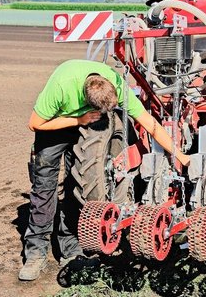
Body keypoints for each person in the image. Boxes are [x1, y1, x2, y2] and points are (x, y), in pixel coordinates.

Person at [19, 59, 190, 281]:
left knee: (74, 188)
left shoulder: (117, 84)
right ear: (87, 100)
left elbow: (149, 123)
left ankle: (70, 248)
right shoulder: (63, 85)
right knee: (44, 191)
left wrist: (179, 155)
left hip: (86, 123)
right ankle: (35, 253)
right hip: (54, 124)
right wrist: (78, 119)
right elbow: (34, 123)